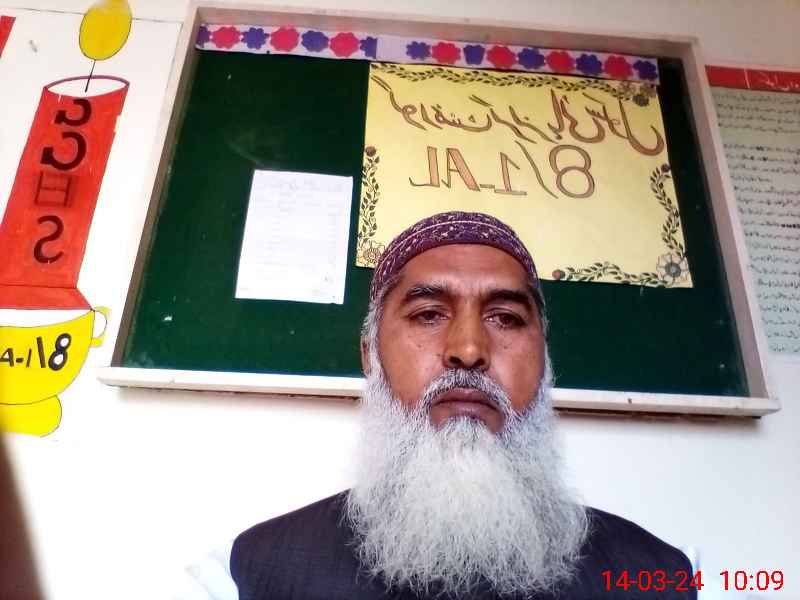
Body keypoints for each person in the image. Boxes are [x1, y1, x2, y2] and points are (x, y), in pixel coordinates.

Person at [231, 211, 695, 600]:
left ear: (544, 362)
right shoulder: (255, 571)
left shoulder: (658, 575)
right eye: (428, 315)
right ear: (370, 355)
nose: (469, 349)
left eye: (505, 318)